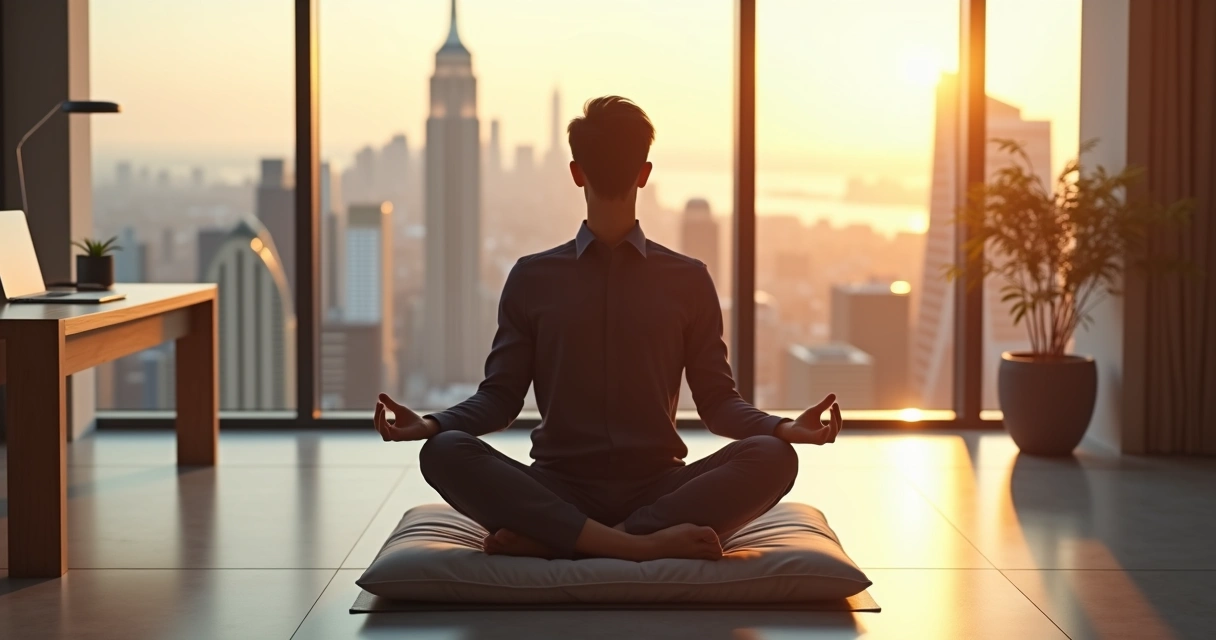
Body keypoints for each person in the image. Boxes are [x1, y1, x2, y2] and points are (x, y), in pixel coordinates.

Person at [374, 96, 842, 562]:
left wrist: (781, 430)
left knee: (774, 456)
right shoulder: (537, 277)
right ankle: (636, 545)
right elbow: (719, 406)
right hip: (561, 487)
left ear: (576, 172)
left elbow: (499, 401)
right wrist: (434, 426)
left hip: (657, 492)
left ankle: (568, 541)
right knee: (444, 450)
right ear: (645, 172)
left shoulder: (679, 277)